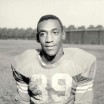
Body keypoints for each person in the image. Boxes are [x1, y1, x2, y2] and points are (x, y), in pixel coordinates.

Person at [11, 14, 96, 104]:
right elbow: (22, 102)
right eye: (43, 34)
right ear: (37, 38)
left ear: (63, 35)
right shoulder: (24, 63)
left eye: (55, 32)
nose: (49, 39)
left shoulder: (81, 63)